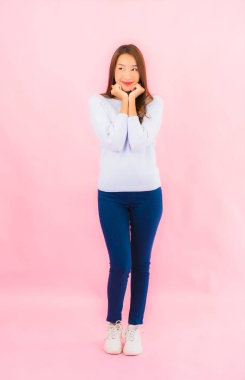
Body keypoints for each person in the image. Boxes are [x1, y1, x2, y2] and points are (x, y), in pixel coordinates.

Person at [88, 44, 164, 355]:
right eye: (121, 68)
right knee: (120, 264)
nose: (128, 74)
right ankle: (112, 324)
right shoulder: (98, 103)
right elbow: (116, 143)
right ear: (112, 71)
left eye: (133, 68)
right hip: (111, 196)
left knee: (141, 265)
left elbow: (142, 140)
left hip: (148, 195)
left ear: (141, 72)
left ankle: (134, 329)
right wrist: (123, 104)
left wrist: (132, 103)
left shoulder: (155, 104)